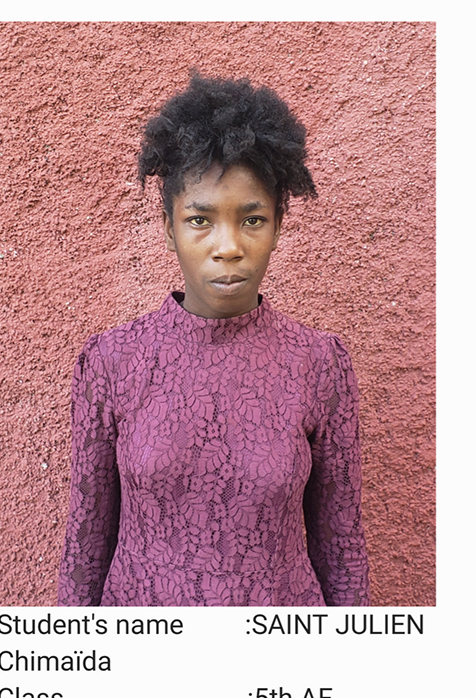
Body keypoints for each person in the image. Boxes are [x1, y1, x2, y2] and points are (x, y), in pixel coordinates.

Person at [58, 75, 370, 607]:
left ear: (277, 225)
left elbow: (340, 544)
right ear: (168, 226)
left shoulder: (320, 364)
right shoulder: (111, 363)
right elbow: (87, 540)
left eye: (252, 219)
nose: (228, 247)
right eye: (200, 220)